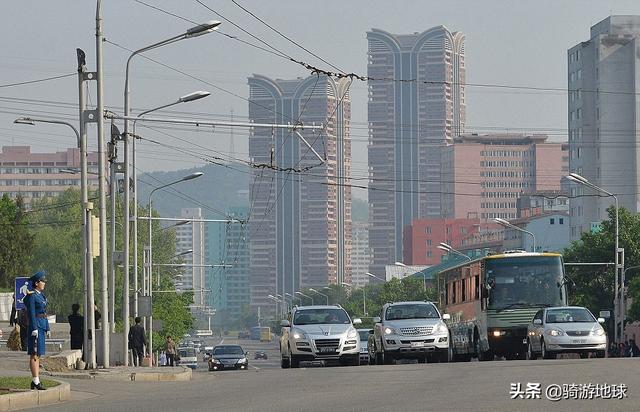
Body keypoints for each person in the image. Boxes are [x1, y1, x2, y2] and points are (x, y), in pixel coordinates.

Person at [24, 271, 49, 390]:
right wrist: (34, 328)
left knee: (38, 354)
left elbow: (44, 313)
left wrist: (47, 328)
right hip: (36, 327)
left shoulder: (41, 296)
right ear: (36, 283)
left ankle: (36, 380)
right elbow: (32, 313)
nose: (44, 283)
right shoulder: (32, 296)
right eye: (42, 281)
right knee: (34, 354)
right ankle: (35, 381)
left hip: (42, 326)